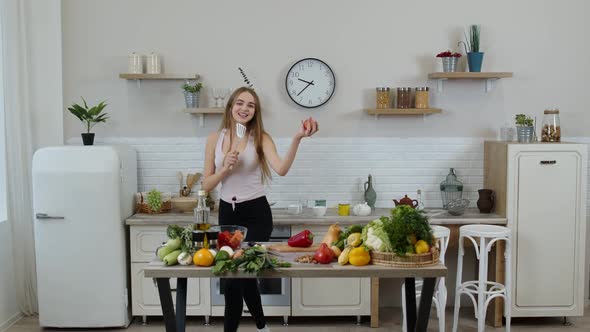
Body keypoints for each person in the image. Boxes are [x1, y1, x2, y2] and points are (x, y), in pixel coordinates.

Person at [202, 86, 319, 332]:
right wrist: (225, 169)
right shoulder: (215, 139)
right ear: (230, 106)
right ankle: (262, 327)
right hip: (227, 213)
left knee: (237, 275)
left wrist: (297, 138)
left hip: (256, 213)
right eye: (240, 103)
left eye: (250, 105)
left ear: (255, 112)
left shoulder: (261, 138)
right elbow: (206, 184)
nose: (244, 108)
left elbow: (282, 169)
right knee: (236, 278)